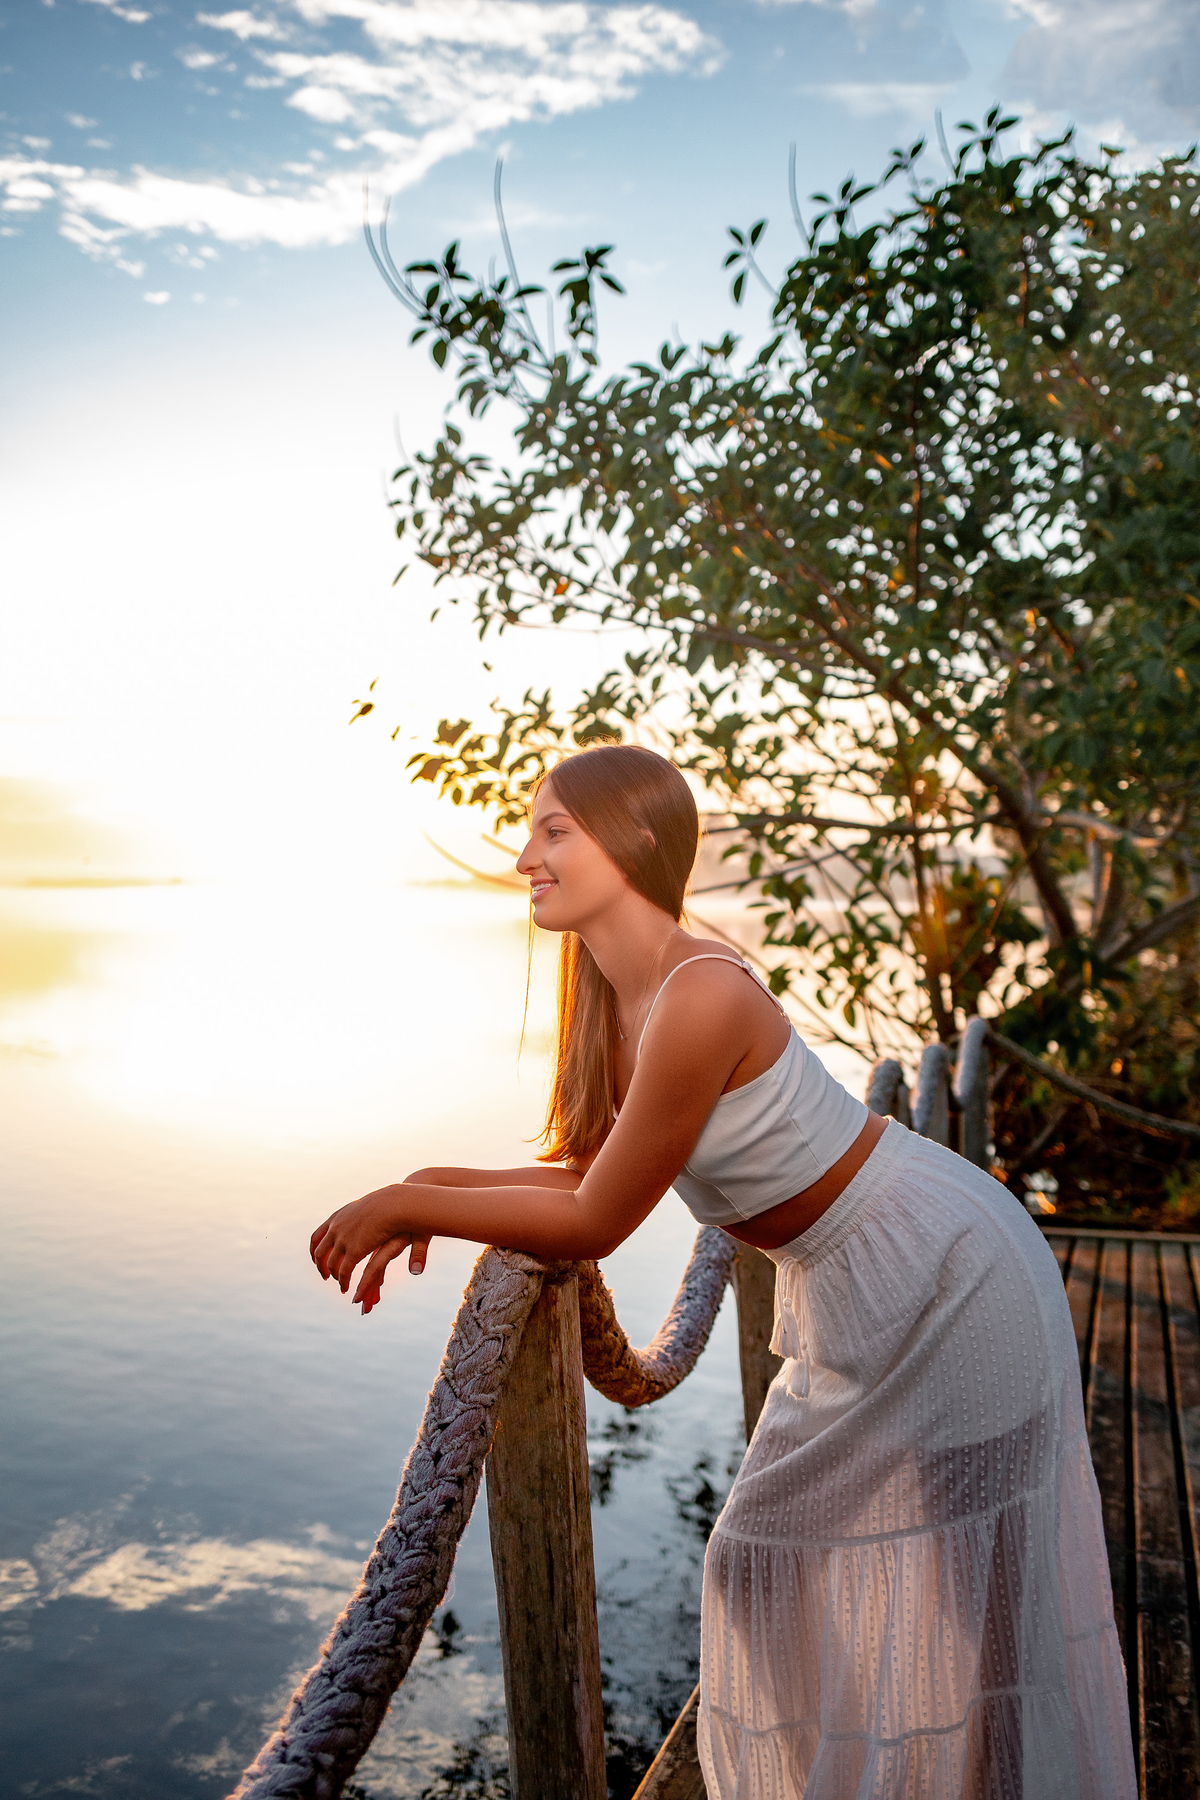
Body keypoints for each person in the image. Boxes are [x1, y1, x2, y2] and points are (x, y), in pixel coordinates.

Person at [310, 744, 1135, 1799]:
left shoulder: (701, 991)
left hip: (949, 1268)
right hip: (854, 1285)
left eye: (555, 829)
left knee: (988, 1599)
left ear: (637, 841)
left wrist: (408, 1204)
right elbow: (581, 1168)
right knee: (761, 1559)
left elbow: (599, 1218)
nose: (527, 855)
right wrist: (422, 1179)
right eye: (533, 831)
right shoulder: (618, 997)